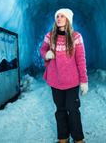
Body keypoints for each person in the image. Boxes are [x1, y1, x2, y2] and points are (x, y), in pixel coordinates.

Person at [40, 8, 88, 143]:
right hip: (55, 80)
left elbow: (81, 59)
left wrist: (84, 81)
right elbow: (43, 49)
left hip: (72, 81)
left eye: (62, 16)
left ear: (68, 19)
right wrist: (46, 54)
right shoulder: (50, 36)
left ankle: (78, 139)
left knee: (73, 110)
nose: (59, 18)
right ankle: (63, 138)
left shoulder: (76, 37)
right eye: (57, 16)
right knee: (60, 110)